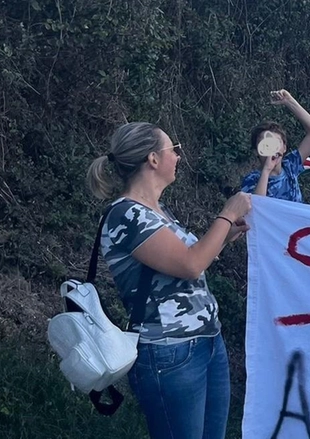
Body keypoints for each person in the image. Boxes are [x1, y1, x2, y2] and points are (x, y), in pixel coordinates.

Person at [88, 122, 250, 439]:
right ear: (152, 159)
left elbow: (192, 258)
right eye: (173, 149)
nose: (178, 155)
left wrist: (228, 233)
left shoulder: (157, 210)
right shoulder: (126, 214)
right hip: (169, 352)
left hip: (206, 341)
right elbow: (191, 265)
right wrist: (226, 214)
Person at [241, 89, 310, 202]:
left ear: (284, 147)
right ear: (256, 151)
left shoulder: (290, 166)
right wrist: (266, 171)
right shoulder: (252, 179)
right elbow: (257, 207)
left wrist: (289, 101)